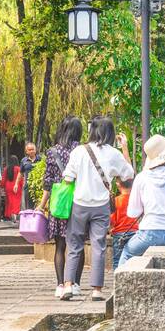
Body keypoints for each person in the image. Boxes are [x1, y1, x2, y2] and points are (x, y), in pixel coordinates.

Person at [60, 115, 134, 302]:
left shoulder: (79, 151)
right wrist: (124, 148)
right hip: (101, 207)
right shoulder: (113, 154)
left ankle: (68, 286)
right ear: (110, 133)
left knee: (74, 245)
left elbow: (67, 177)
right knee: (98, 247)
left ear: (92, 130)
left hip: (79, 205)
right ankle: (97, 290)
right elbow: (129, 174)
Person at [117, 133, 165, 266]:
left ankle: (119, 285)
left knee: (128, 252)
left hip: (150, 233)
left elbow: (133, 213)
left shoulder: (141, 178)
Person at [37, 116, 83, 298]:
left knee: (60, 246)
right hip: (78, 201)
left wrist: (41, 205)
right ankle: (76, 284)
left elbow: (47, 182)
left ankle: (60, 285)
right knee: (77, 245)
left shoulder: (52, 151)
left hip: (59, 203)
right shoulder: (82, 150)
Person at [2, 154, 23, 221]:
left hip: (8, 187)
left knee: (9, 202)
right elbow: (21, 179)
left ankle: (8, 215)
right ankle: (14, 213)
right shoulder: (18, 169)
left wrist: (2, 185)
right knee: (16, 201)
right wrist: (23, 186)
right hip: (17, 186)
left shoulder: (6, 169)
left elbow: (3, 179)